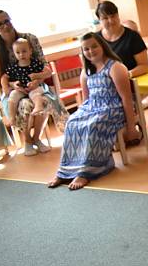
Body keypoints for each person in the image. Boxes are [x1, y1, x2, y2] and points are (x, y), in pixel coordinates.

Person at [47, 33, 140, 190]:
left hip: (113, 108)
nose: (91, 51)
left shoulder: (115, 67)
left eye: (94, 46)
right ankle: (65, 172)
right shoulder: (86, 72)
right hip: (92, 107)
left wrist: (131, 127)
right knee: (72, 123)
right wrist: (82, 114)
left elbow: (126, 98)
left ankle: (87, 171)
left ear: (102, 46)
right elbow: (86, 99)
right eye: (86, 49)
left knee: (92, 125)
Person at [0, 9, 68, 156]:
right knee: (25, 104)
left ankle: (36, 139)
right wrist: (12, 85)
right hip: (13, 90)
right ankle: (27, 141)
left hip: (35, 85)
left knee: (43, 100)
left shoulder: (28, 39)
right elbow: (2, 77)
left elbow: (44, 66)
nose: (5, 26)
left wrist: (37, 80)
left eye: (7, 21)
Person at [95, 1, 148, 79]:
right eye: (105, 18)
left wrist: (126, 75)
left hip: (130, 80)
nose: (110, 20)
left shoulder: (133, 36)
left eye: (113, 16)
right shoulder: (96, 39)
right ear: (99, 20)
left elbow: (144, 66)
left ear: (118, 15)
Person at [2, 38, 47, 126]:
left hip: (34, 87)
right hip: (21, 89)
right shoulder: (13, 67)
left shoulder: (35, 63)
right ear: (14, 54)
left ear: (30, 51)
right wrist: (12, 84)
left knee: (36, 94)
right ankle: (12, 117)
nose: (21, 54)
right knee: (13, 96)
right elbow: (6, 77)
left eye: (24, 51)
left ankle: (38, 106)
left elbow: (46, 72)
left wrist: (37, 78)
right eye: (18, 53)